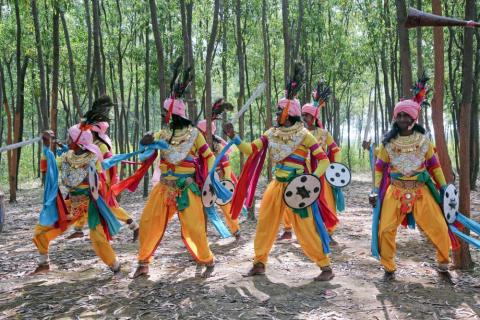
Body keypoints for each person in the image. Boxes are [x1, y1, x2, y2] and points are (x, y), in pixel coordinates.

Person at [224, 63, 335, 281]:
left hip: (299, 188)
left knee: (305, 228)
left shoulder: (305, 135)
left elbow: (323, 160)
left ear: (288, 114)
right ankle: (259, 262)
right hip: (276, 185)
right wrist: (234, 137)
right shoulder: (270, 133)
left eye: (278, 111)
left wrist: (311, 180)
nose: (275, 114)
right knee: (265, 223)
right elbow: (250, 149)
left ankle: (325, 267)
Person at [132, 59, 217, 278]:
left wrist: (208, 182)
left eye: (164, 114)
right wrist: (144, 143)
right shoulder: (160, 135)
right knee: (148, 223)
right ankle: (143, 262)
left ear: (173, 115)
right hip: (163, 189)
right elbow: (144, 157)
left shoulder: (194, 135)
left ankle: (207, 258)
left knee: (195, 228)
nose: (162, 118)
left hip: (187, 189)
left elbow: (209, 156)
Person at [369, 95, 452, 281]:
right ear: (395, 118)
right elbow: (379, 168)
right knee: (385, 229)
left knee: (439, 226)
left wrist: (444, 186)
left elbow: (435, 166)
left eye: (406, 116)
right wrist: (374, 189)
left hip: (421, 190)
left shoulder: (424, 141)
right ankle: (388, 266)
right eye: (399, 115)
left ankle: (443, 261)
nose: (402, 119)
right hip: (395, 190)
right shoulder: (387, 143)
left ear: (414, 119)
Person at [32, 123, 121, 275]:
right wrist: (46, 148)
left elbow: (100, 183)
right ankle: (43, 262)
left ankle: (115, 265)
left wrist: (92, 183)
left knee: (97, 237)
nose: (66, 140)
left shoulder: (93, 158)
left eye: (69, 137)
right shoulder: (67, 157)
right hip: (73, 204)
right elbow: (48, 167)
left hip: (91, 204)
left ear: (78, 141)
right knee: (41, 228)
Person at [67, 96, 139, 241]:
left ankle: (134, 226)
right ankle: (79, 228)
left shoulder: (102, 147)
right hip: (93, 182)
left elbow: (109, 167)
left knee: (109, 207)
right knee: (84, 203)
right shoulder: (90, 146)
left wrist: (107, 183)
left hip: (102, 183)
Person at [278, 86, 342, 244]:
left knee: (326, 203)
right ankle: (289, 229)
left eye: (307, 115)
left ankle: (328, 232)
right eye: (303, 115)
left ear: (314, 117)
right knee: (291, 201)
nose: (304, 118)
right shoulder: (297, 133)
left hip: (320, 174)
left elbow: (335, 150)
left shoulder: (324, 134)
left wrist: (335, 168)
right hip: (300, 174)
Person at [197, 118, 241, 239]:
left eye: (201, 132)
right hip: (201, 182)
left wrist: (224, 183)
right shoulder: (196, 146)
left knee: (226, 206)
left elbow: (226, 167)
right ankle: (201, 235)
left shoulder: (218, 147)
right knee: (200, 209)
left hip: (218, 182)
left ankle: (236, 230)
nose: (199, 134)